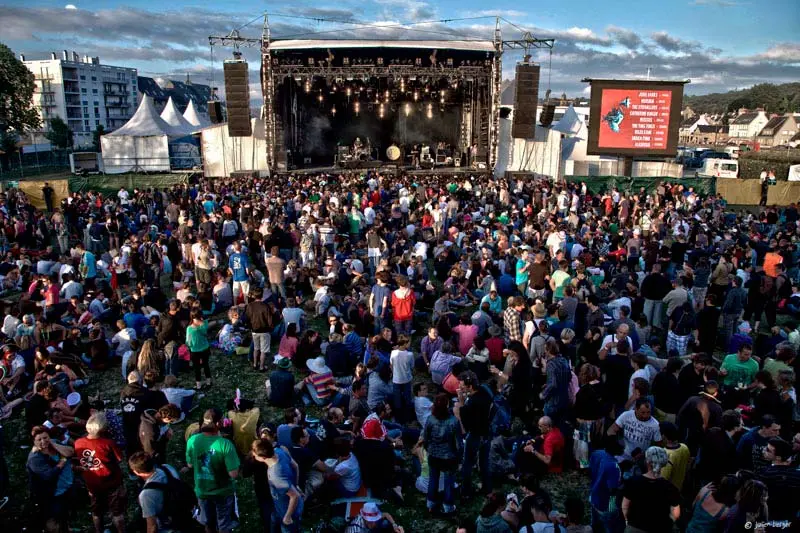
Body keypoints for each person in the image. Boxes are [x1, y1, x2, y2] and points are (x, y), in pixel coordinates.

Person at [185, 408, 241, 533]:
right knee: (224, 524)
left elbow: (190, 464)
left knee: (208, 523)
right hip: (223, 493)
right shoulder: (225, 444)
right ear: (218, 423)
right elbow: (233, 473)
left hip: (202, 491)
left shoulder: (192, 440)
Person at [74, 412, 127, 533]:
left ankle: (99, 530)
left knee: (96, 512)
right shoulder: (108, 443)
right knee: (117, 512)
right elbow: (119, 458)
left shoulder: (78, 443)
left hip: (92, 483)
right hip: (112, 482)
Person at [27, 426, 76, 533]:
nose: (43, 441)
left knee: (66, 514)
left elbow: (71, 452)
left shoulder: (54, 442)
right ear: (34, 442)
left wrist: (53, 444)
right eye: (39, 439)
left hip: (67, 486)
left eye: (45, 437)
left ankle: (66, 529)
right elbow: (49, 475)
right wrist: (62, 461)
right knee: (54, 521)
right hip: (52, 494)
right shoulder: (35, 458)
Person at [621, 446, 680, 533]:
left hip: (635, 528)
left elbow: (625, 506)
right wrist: (668, 523)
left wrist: (627, 521)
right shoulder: (670, 487)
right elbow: (676, 513)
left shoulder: (633, 482)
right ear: (664, 463)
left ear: (647, 462)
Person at [420, 393, 461, 515]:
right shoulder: (453, 421)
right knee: (449, 482)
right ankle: (448, 507)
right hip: (449, 457)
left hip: (434, 455)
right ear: (447, 405)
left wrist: (429, 449)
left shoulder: (430, 419)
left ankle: (431, 504)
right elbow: (458, 443)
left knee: (433, 479)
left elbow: (425, 438)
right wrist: (459, 456)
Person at [250, 437, 303, 532]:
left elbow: (295, 496)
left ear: (263, 458)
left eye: (255, 455)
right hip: (278, 507)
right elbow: (296, 466)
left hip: (288, 511)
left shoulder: (276, 476)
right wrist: (296, 485)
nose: (253, 456)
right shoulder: (279, 451)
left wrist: (287, 517)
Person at [128, 451, 187, 532]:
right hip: (184, 513)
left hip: (168, 525)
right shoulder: (167, 468)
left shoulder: (146, 495)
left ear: (137, 472)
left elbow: (152, 527)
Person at [455, 370, 492, 498]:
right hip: (487, 432)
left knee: (467, 464)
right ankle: (487, 488)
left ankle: (466, 492)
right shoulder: (485, 391)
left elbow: (466, 425)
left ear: (470, 386)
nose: (460, 388)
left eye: (462, 386)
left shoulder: (472, 403)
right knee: (484, 462)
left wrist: (461, 403)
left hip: (475, 435)